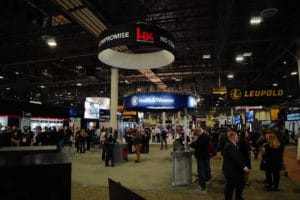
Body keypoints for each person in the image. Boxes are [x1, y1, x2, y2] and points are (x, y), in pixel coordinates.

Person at [222, 131, 250, 200]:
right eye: (237, 136)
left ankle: (238, 197)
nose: (238, 137)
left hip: (232, 170)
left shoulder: (231, 144)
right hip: (232, 171)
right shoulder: (230, 146)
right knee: (231, 187)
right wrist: (244, 167)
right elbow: (236, 158)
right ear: (232, 137)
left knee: (236, 185)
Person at [189, 128, 211, 194]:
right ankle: (208, 179)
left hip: (201, 156)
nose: (196, 135)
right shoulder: (206, 136)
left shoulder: (201, 138)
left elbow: (197, 145)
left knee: (201, 170)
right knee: (207, 167)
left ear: (198, 132)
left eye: (196, 133)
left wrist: (190, 144)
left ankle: (202, 185)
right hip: (206, 155)